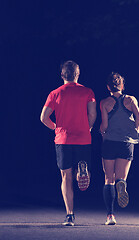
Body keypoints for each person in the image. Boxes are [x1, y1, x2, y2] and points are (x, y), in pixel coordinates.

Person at [40, 60, 97, 226]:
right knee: (81, 168)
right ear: (77, 75)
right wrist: (89, 127)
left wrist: (56, 128)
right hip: (83, 138)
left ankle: (70, 215)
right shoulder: (88, 92)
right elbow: (92, 114)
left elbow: (43, 117)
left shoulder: (55, 93)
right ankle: (82, 170)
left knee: (66, 176)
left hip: (63, 139)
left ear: (62, 75)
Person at [100, 72, 139, 225]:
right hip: (127, 143)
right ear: (122, 86)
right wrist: (135, 129)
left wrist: (101, 131)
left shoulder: (104, 103)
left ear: (108, 87)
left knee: (108, 179)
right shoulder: (131, 100)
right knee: (120, 177)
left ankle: (110, 216)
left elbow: (104, 126)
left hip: (110, 142)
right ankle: (121, 183)